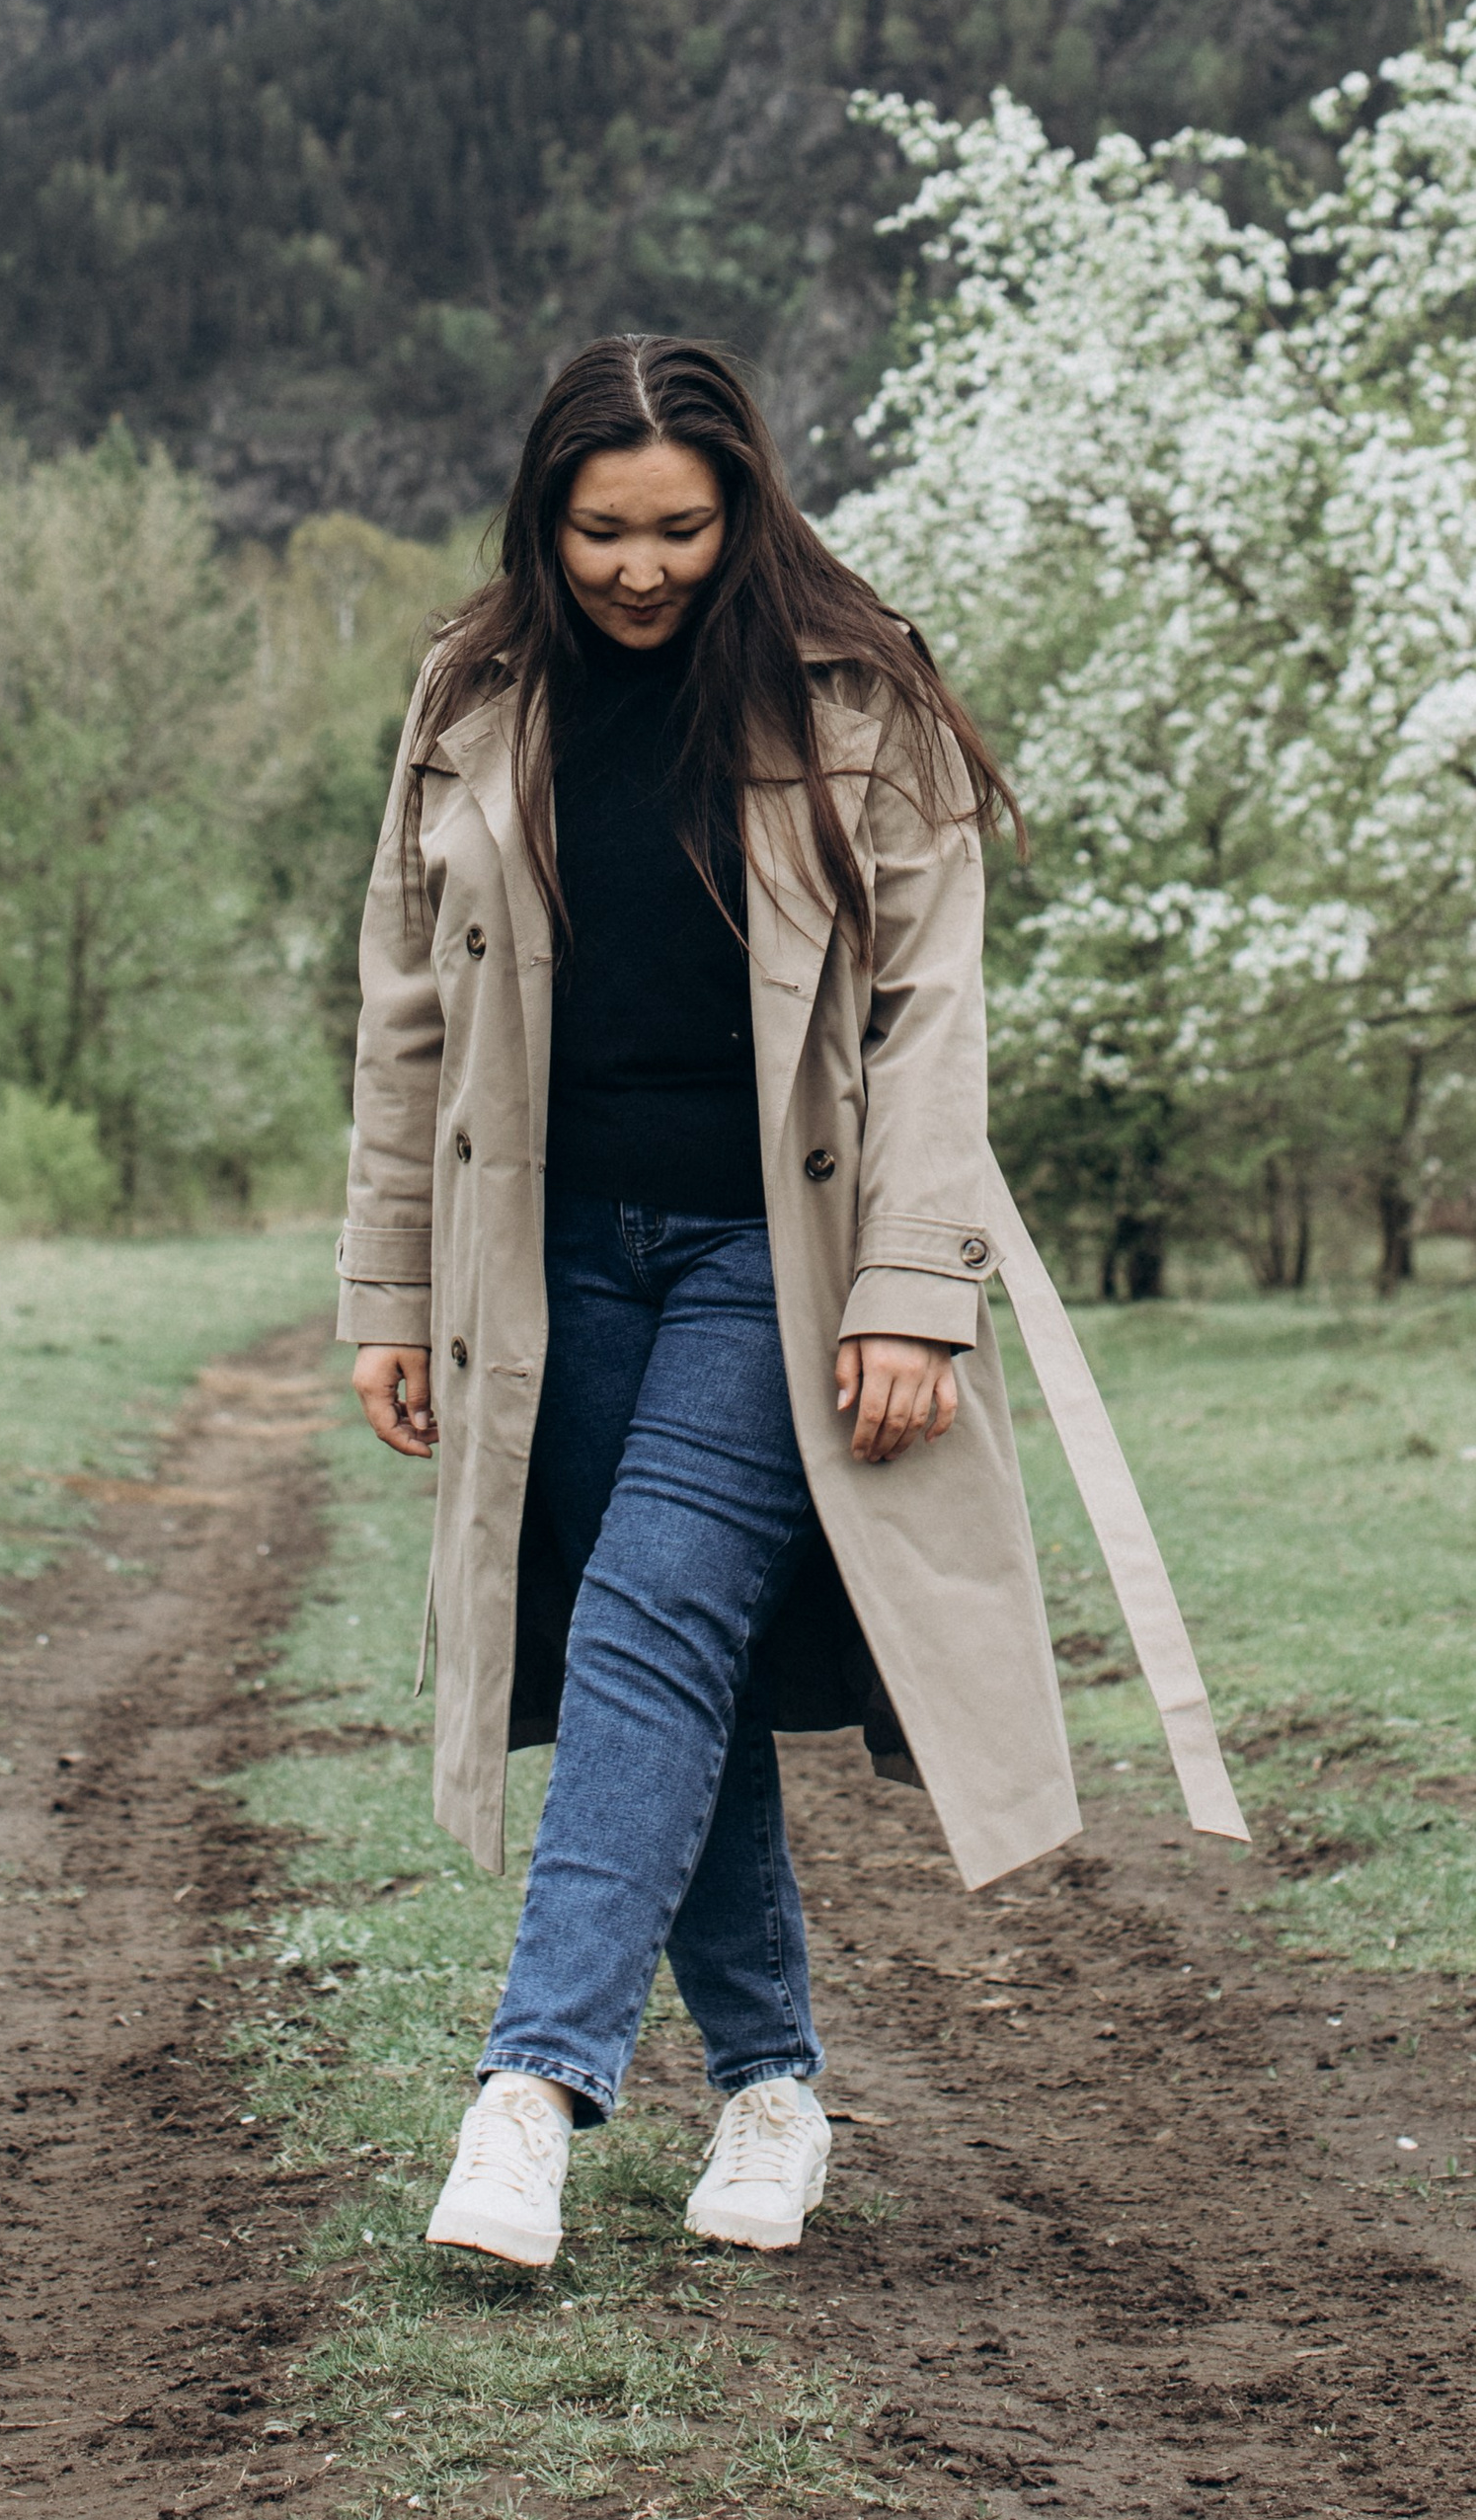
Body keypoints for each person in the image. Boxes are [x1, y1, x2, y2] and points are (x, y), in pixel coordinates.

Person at [337, 333, 1244, 2271]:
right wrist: (388, 1288)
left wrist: (913, 1290)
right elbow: (403, 1016)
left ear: (743, 507)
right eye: (600, 530)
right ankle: (768, 2089)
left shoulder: (854, 690)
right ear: (541, 519)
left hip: (778, 1253)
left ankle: (529, 2091)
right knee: (671, 1669)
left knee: (650, 1620)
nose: (639, 567)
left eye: (678, 527)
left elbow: (927, 1016)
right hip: (548, 1260)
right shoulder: (468, 693)